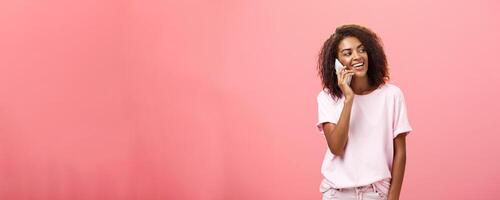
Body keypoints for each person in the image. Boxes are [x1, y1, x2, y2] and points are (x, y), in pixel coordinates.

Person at [316, 24, 412, 200]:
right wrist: (349, 99)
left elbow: (400, 152)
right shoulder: (327, 98)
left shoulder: (391, 95)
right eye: (347, 53)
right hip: (337, 194)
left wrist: (393, 197)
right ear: (336, 63)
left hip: (376, 193)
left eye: (362, 50)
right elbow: (336, 148)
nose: (357, 57)